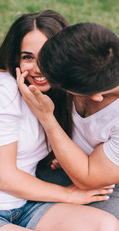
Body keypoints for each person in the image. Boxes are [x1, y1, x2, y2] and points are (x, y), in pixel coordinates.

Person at [0, 11, 117, 231]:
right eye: (27, 57)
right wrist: (69, 194)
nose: (39, 67)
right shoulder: (5, 88)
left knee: (106, 225)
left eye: (46, 57)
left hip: (25, 206)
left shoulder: (57, 97)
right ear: (16, 59)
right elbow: (3, 178)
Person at [15, 22, 119, 219]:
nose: (39, 73)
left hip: (105, 182)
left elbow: (89, 178)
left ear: (94, 95)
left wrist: (46, 117)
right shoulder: (93, 49)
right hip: (64, 165)